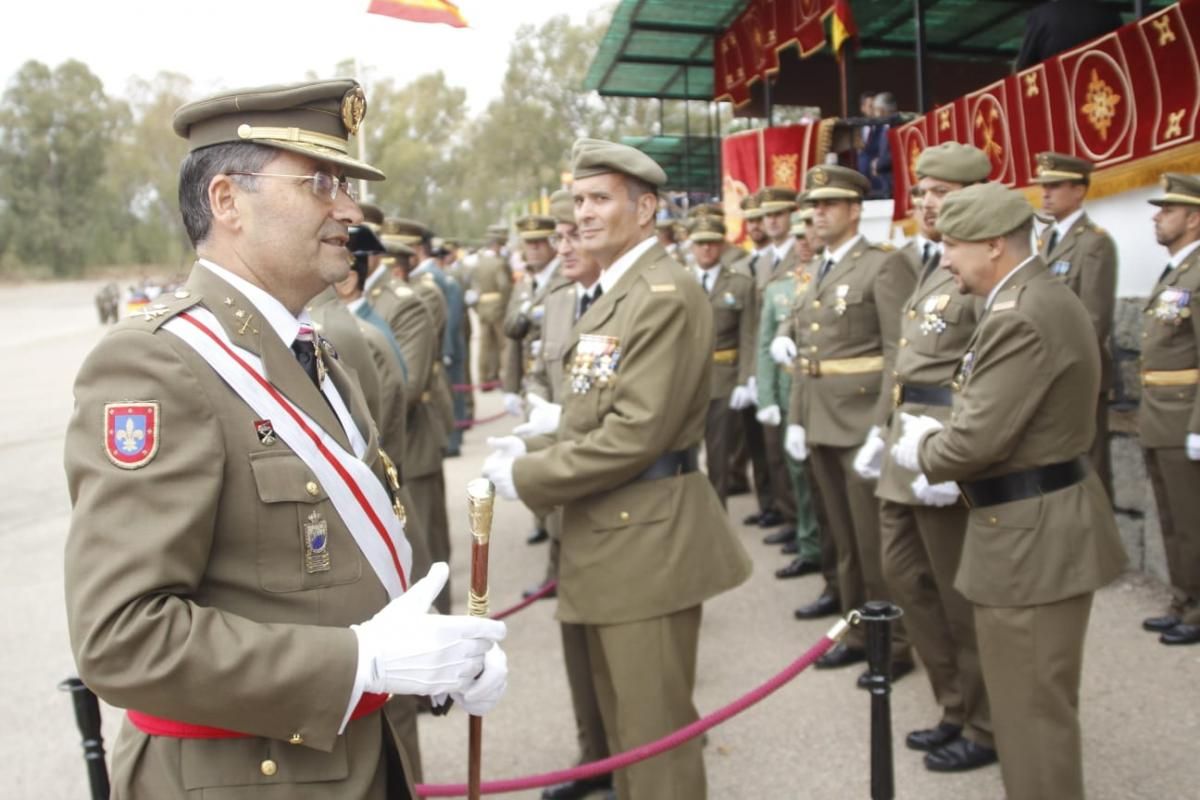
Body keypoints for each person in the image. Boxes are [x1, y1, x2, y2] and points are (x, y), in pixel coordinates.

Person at [63, 79, 507, 799]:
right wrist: (361, 664)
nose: (349, 209)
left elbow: (340, 574)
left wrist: (437, 662)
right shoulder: (159, 363)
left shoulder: (314, 352)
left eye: (346, 184)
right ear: (227, 202)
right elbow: (122, 639)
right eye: (320, 183)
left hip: (356, 755)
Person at [482, 138, 752, 799]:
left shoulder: (658, 292)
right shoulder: (614, 292)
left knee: (653, 737)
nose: (584, 214)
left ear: (646, 208)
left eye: (600, 198)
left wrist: (531, 477)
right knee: (624, 732)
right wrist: (544, 441)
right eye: (578, 199)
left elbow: (634, 434)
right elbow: (598, 410)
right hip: (611, 532)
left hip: (646, 536)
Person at [892, 181, 1127, 800]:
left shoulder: (1018, 313)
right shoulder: (1029, 297)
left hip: (1030, 536)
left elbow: (972, 443)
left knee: (1032, 716)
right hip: (1030, 524)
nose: (943, 259)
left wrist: (918, 449)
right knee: (1032, 708)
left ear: (994, 245)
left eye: (952, 245)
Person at [859, 143, 996, 772]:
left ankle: (984, 720)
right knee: (907, 579)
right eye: (921, 193)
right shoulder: (925, 262)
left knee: (954, 590)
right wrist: (882, 431)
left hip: (945, 446)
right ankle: (952, 704)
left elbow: (986, 367)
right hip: (905, 441)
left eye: (940, 193)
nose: (927, 204)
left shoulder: (984, 265)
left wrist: (955, 457)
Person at [773, 165, 915, 676]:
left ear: (856, 209)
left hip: (860, 422)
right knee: (843, 539)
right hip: (820, 419)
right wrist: (796, 417)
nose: (818, 212)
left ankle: (893, 642)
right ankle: (859, 631)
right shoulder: (821, 267)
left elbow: (902, 352)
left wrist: (886, 424)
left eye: (829, 203)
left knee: (873, 544)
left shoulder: (883, 265)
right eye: (814, 205)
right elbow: (807, 354)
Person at [518, 188, 615, 800]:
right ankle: (593, 756)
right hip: (561, 484)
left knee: (616, 637)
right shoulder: (557, 300)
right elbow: (538, 367)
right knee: (574, 630)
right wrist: (534, 405)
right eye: (559, 237)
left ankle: (645, 741)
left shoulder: (622, 303)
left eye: (576, 234)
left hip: (607, 489)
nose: (565, 247)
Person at [1034, 151, 1118, 498]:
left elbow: (1093, 320)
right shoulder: (1044, 242)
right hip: (1044, 374)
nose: (1046, 194)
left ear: (1080, 190)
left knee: (1088, 469)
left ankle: (1098, 548)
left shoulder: (1093, 243)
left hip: (1077, 374)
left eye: (1055, 186)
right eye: (1043, 187)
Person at [1139, 173, 1200, 646]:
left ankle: (1198, 609)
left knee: (1192, 518)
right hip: (1160, 413)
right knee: (1172, 517)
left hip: (1185, 417)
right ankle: (1184, 598)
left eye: (1168, 210)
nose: (1158, 217)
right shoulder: (1176, 272)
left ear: (1194, 218)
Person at [757, 208, 825, 584]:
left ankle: (822, 547)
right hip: (788, 389)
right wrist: (766, 395)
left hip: (826, 390)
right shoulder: (779, 287)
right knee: (797, 473)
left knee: (825, 480)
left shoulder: (825, 277)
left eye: (807, 234)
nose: (802, 243)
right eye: (796, 237)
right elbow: (766, 343)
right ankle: (809, 541)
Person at [502, 213, 571, 545]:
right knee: (531, 450)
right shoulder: (524, 283)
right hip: (532, 379)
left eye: (538, 243)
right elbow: (511, 338)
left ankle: (557, 522)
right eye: (527, 244)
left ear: (551, 245)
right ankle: (540, 519)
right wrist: (509, 386)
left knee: (553, 452)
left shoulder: (563, 278)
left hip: (556, 378)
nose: (532, 250)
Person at [691, 214, 758, 506]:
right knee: (683, 453)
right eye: (700, 243)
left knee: (719, 453)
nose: (706, 249)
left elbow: (749, 336)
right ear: (691, 247)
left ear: (722, 245)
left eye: (712, 243)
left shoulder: (740, 284)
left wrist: (745, 380)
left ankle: (716, 514)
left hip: (723, 378)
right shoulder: (677, 282)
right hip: (685, 380)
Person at [1014, 0, 1124, 71]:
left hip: (1058, 98)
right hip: (1101, 98)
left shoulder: (1041, 17)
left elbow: (1023, 69)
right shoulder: (1109, 15)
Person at [468, 224, 513, 387]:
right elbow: (504, 286)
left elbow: (472, 286)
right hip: (498, 307)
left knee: (485, 345)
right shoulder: (498, 263)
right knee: (504, 344)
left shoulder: (478, 262)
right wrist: (508, 304)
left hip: (482, 307)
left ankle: (484, 378)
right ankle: (505, 377)